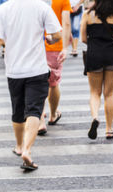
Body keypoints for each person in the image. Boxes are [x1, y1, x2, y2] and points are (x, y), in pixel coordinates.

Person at [0, 0, 62, 171]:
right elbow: (57, 34)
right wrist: (49, 39)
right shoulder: (42, 7)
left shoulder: (3, 9)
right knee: (34, 110)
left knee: (18, 111)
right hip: (37, 69)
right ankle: (27, 149)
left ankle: (19, 146)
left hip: (14, 71)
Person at [80, 0, 113, 140]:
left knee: (95, 92)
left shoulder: (88, 14)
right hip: (112, 55)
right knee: (109, 94)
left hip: (94, 54)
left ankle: (95, 117)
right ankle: (109, 129)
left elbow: (83, 38)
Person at [38, 0, 72, 135]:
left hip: (36, 44)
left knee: (37, 81)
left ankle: (40, 120)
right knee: (53, 83)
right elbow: (66, 22)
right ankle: (52, 115)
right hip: (55, 46)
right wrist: (64, 47)